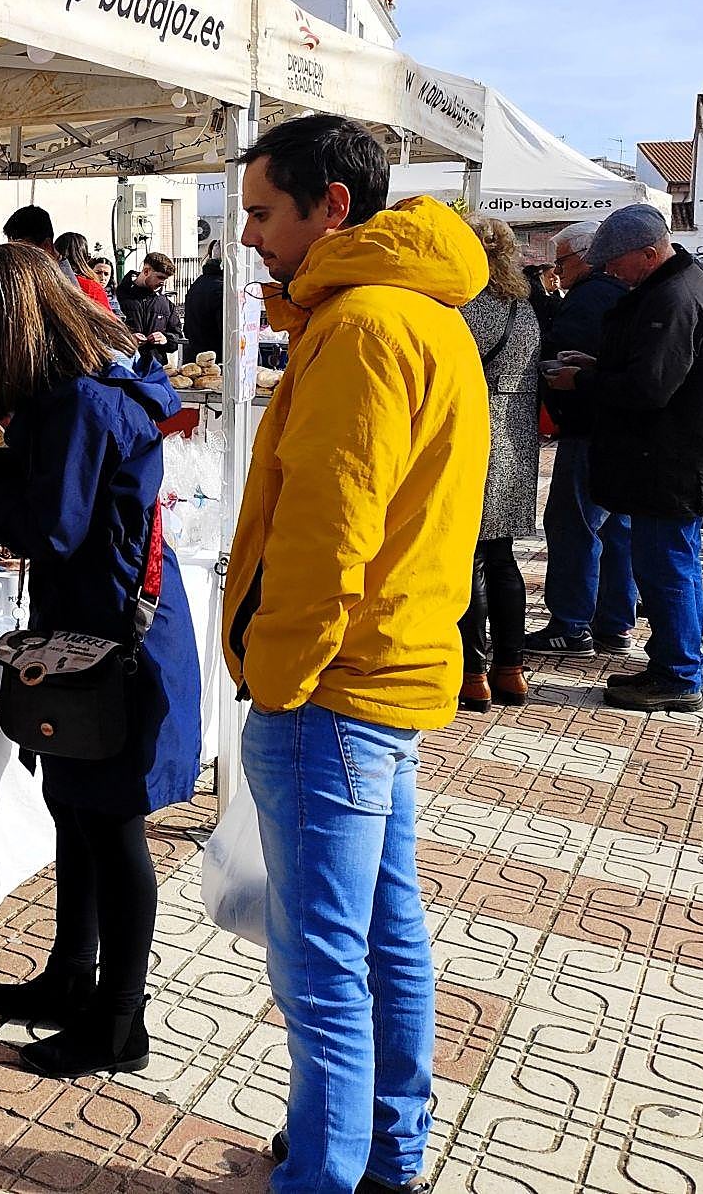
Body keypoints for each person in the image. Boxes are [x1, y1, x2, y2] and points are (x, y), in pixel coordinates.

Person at [222, 113, 487, 1194]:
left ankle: (330, 1174)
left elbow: (330, 531)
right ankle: (384, 1148)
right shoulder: (410, 314)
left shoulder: (367, 325)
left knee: (323, 964)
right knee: (382, 936)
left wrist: (277, 678)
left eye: (261, 213)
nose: (247, 237)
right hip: (382, 674)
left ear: (334, 206)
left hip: (336, 688)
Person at [0, 242, 200, 1080]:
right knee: (75, 814)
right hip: (86, 635)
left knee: (111, 831)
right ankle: (72, 976)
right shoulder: (65, 395)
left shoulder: (79, 400)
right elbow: (47, 495)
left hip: (119, 644)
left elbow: (53, 525)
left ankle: (119, 1019)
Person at [546, 203, 703, 713]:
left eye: (617, 262)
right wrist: (598, 363)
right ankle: (676, 665)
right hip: (677, 458)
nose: (609, 271)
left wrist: (582, 380)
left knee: (666, 568)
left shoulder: (671, 298)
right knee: (675, 565)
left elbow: (649, 387)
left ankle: (677, 675)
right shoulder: (682, 285)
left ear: (649, 255)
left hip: (669, 463)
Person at [524, 220, 637, 658]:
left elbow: (558, 348)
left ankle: (570, 625)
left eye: (563, 261)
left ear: (586, 256)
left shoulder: (590, 297)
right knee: (616, 526)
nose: (558, 271)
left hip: (590, 428)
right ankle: (614, 624)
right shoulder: (626, 293)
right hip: (621, 429)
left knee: (574, 524)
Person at [457, 217, 543, 713]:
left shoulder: (464, 306)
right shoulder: (524, 306)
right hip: (515, 435)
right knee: (503, 557)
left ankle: (475, 675)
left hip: (471, 428)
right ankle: (512, 669)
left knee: (469, 560)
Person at [118, 252, 182, 364]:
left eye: (165, 279)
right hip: (124, 367)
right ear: (146, 271)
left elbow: (177, 337)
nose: (162, 282)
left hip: (155, 369)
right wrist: (127, 339)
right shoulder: (119, 296)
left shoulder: (166, 303)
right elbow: (105, 332)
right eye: (160, 277)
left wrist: (165, 339)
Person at [53, 231, 116, 313]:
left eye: (106, 274)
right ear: (85, 257)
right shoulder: (91, 288)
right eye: (99, 272)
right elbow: (109, 322)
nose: (103, 277)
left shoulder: (44, 280)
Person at [183, 255, 225, 362]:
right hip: (214, 355)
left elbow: (187, 327)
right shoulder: (221, 287)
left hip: (195, 349)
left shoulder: (197, 283)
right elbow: (223, 328)